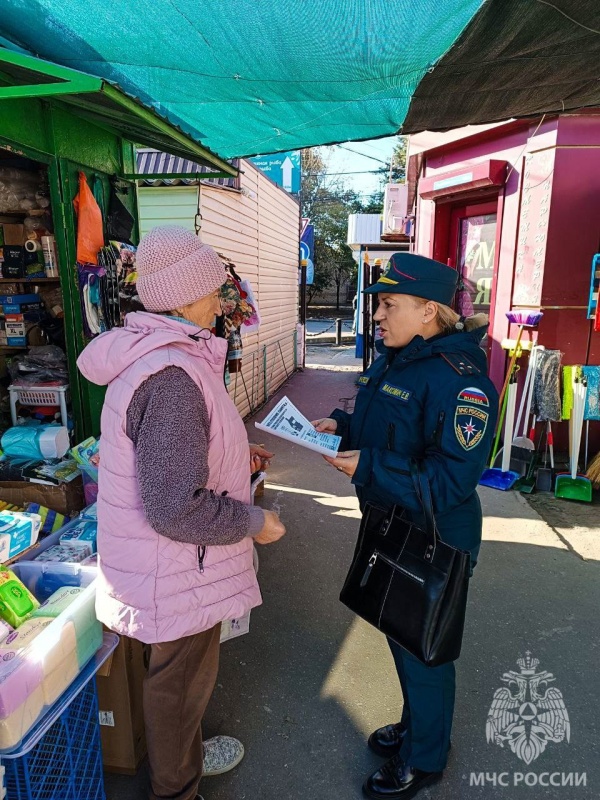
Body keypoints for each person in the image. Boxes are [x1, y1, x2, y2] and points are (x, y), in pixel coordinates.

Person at [78, 226, 286, 800]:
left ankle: (181, 758)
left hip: (170, 567)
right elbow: (174, 507)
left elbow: (178, 456)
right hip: (177, 566)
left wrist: (233, 457)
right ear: (187, 297)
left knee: (179, 680)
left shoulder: (167, 357)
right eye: (217, 290)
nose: (224, 300)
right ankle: (177, 787)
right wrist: (254, 522)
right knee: (179, 684)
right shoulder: (170, 375)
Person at [313, 252, 498, 800]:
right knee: (400, 634)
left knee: (426, 651)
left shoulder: (461, 383)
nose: (378, 314)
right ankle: (417, 723)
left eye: (389, 304)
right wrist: (343, 426)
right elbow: (387, 425)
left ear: (429, 312)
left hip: (436, 536)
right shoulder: (400, 359)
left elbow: (450, 483)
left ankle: (426, 757)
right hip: (391, 522)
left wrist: (370, 466)